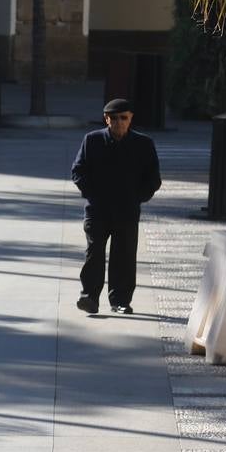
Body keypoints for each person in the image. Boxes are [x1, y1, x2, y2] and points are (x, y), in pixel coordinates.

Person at [71, 97, 162, 315]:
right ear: (106, 119)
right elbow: (78, 171)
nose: (118, 122)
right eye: (113, 118)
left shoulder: (143, 144)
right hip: (97, 210)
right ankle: (89, 296)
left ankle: (121, 300)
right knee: (94, 252)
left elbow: (153, 179)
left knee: (124, 255)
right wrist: (92, 195)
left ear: (131, 119)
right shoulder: (92, 140)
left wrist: (136, 197)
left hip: (127, 210)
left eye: (123, 118)